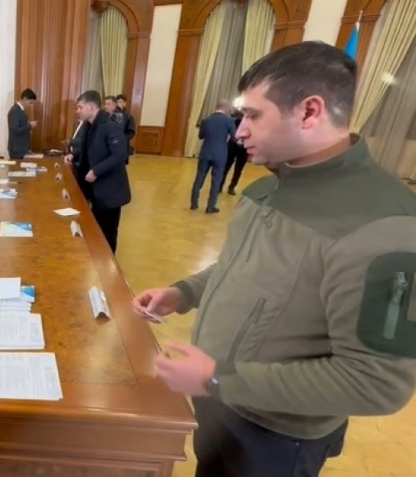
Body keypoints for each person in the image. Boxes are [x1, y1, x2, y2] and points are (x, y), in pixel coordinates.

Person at [132, 41, 416, 477]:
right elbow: (240, 270)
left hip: (278, 438)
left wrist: (218, 379)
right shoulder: (268, 187)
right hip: (222, 409)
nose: (238, 131)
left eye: (252, 116)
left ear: (309, 111)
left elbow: (377, 383)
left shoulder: (384, 224)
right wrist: (182, 293)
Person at [64, 90, 130, 253]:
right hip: (95, 190)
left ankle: (110, 272)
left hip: (110, 192)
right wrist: (74, 155)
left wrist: (96, 171)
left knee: (107, 234)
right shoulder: (88, 125)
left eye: (80, 107)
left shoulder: (110, 125)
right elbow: (87, 149)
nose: (77, 111)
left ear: (91, 107)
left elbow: (120, 154)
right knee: (95, 231)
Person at [191, 100, 236, 213]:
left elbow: (201, 136)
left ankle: (194, 203)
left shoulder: (206, 120)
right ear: (226, 108)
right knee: (216, 181)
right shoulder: (229, 121)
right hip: (220, 154)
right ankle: (211, 206)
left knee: (199, 178)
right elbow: (235, 137)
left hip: (205, 153)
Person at [219, 109, 248, 195]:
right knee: (225, 167)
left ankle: (232, 187)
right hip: (232, 146)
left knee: (238, 170)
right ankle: (219, 186)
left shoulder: (253, 124)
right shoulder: (236, 121)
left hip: (244, 148)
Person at [7, 88, 38, 159]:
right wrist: (30, 126)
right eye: (30, 102)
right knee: (16, 169)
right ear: (25, 99)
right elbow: (15, 130)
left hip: (21, 148)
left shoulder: (21, 110)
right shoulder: (15, 111)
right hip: (16, 149)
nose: (31, 105)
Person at [115, 93, 136, 159]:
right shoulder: (112, 114)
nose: (118, 103)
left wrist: (122, 138)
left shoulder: (128, 116)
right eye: (117, 101)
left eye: (120, 101)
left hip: (122, 143)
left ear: (124, 103)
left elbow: (131, 132)